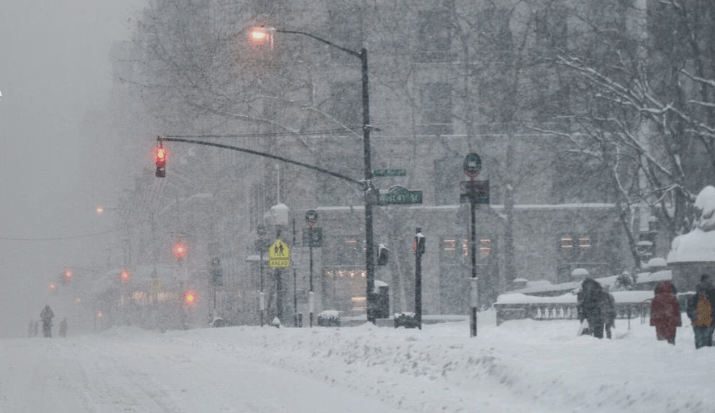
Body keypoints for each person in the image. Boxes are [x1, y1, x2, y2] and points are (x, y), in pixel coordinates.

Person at [687, 274, 715, 349]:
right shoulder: (712, 292)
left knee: (700, 340)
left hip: (700, 321)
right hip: (709, 320)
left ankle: (701, 352)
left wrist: (693, 317)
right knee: (707, 339)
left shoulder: (696, 296)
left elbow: (690, 308)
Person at [650, 280, 682, 345]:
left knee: (661, 339)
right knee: (671, 337)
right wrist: (678, 322)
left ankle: (662, 351)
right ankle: (671, 348)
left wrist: (653, 321)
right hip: (671, 320)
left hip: (659, 320)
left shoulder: (656, 298)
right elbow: (677, 311)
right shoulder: (673, 297)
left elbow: (653, 310)